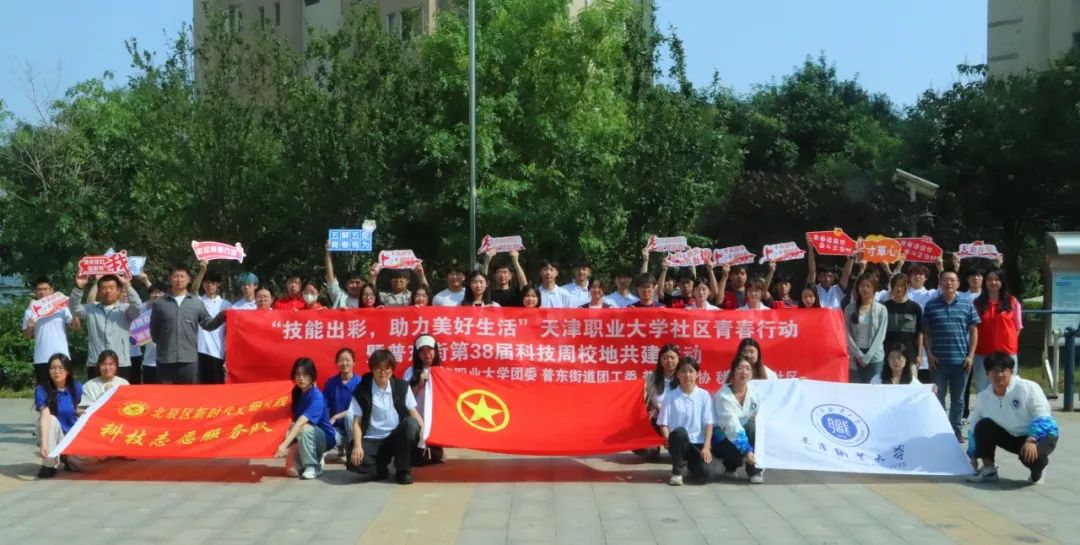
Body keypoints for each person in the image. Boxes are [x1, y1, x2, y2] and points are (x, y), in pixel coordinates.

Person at [967, 352, 1058, 484]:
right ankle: (989, 470)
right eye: (994, 371)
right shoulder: (983, 397)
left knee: (1030, 456)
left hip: (1041, 435)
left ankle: (1040, 468)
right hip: (1012, 435)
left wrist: (1032, 440)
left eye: (1003, 370)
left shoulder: (1028, 388)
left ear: (1011, 371)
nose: (999, 375)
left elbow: (1043, 416)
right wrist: (972, 454)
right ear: (987, 374)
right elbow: (973, 426)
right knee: (983, 426)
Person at [348, 349, 424, 485]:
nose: (383, 372)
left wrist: (424, 431)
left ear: (392, 369)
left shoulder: (402, 387)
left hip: (396, 436)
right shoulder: (362, 390)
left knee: (411, 424)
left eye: (387, 368)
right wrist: (357, 446)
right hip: (372, 438)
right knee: (355, 462)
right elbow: (356, 423)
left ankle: (403, 470)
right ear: (372, 369)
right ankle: (381, 469)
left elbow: (413, 412)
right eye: (378, 369)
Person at [923, 270, 980, 440]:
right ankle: (940, 431)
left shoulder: (967, 304)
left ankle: (955, 431)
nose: (949, 283)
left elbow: (974, 331)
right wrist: (929, 354)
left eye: (952, 280)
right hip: (938, 361)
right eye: (945, 280)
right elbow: (926, 333)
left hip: (961, 361)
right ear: (940, 283)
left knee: (958, 400)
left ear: (958, 283)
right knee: (938, 397)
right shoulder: (931, 305)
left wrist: (971, 356)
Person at [149, 263, 222, 385]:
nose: (179, 280)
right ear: (170, 279)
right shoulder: (160, 303)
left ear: (189, 279)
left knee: (190, 394)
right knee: (166, 395)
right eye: (175, 276)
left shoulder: (196, 303)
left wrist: (222, 316)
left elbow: (207, 324)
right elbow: (154, 332)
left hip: (189, 360)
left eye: (182, 276)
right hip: (166, 359)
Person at [69, 273, 142, 381]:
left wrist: (127, 285)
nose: (108, 291)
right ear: (98, 291)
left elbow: (138, 307)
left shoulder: (125, 310)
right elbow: (74, 308)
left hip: (121, 363)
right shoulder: (91, 309)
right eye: (104, 288)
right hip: (96, 363)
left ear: (118, 290)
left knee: (120, 392)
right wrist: (78, 288)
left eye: (111, 287)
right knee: (95, 392)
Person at [276, 358, 338, 480]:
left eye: (305, 374)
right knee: (291, 471)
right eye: (298, 374)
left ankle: (313, 466)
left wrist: (284, 445)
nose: (301, 378)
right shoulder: (296, 393)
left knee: (304, 427)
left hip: (323, 439)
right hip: (303, 436)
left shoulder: (317, 397)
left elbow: (301, 422)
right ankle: (313, 457)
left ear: (312, 376)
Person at [658, 357, 715, 486]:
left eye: (691, 371)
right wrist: (668, 439)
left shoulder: (704, 395)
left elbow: (709, 423)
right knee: (680, 432)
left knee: (706, 475)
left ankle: (690, 467)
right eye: (683, 371)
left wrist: (706, 447)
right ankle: (677, 472)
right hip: (678, 442)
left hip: (697, 443)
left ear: (697, 374)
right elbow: (663, 423)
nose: (687, 375)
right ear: (677, 374)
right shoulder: (670, 396)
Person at [713, 357, 765, 483]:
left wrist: (797, 385)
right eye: (740, 368)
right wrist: (747, 450)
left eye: (747, 369)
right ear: (733, 372)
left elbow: (778, 397)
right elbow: (731, 425)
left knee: (754, 426)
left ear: (752, 373)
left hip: (744, 434)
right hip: (724, 438)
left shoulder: (756, 393)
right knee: (737, 449)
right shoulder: (723, 396)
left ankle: (754, 470)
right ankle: (730, 466)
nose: (744, 372)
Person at [971, 268, 1022, 394]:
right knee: (983, 387)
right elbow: (972, 328)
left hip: (1007, 351)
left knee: (1009, 387)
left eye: (997, 279)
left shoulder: (1012, 301)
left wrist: (1008, 342)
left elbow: (1018, 327)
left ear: (1002, 282)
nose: (993, 282)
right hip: (982, 352)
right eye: (989, 279)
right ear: (985, 282)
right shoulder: (977, 303)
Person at [23, 277, 79, 387]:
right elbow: (26, 335)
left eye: (45, 289)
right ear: (35, 291)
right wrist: (29, 327)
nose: (42, 292)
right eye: (39, 289)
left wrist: (74, 313)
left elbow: (75, 327)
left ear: (52, 290)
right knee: (44, 391)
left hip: (62, 356)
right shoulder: (30, 311)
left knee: (65, 389)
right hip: (41, 358)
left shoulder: (62, 307)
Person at [35, 353, 83, 478]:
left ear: (68, 370)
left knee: (83, 464)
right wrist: (44, 443)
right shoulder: (42, 389)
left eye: (61, 367)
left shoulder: (76, 387)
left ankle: (66, 457)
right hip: (51, 432)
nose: (57, 371)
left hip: (69, 435)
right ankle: (49, 465)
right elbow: (45, 416)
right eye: (53, 368)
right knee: (51, 419)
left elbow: (76, 408)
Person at [403, 335, 444, 465]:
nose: (426, 354)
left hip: (434, 421)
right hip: (416, 419)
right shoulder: (410, 372)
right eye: (422, 351)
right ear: (417, 354)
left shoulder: (441, 371)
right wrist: (419, 385)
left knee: (437, 458)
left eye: (429, 349)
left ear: (435, 350)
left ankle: (433, 447)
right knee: (418, 459)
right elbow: (405, 399)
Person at [844, 272, 889, 384]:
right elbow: (846, 333)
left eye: (868, 286)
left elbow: (880, 336)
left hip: (875, 357)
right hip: (855, 357)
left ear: (874, 289)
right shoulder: (849, 309)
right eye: (862, 286)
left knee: (874, 390)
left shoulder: (881, 309)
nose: (865, 289)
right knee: (855, 390)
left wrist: (867, 357)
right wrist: (859, 356)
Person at [882, 273, 924, 375]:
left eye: (902, 285)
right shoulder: (884, 307)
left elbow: (920, 332)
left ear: (908, 286)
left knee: (911, 383)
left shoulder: (915, 307)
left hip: (910, 355)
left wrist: (919, 355)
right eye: (896, 285)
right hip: (888, 356)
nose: (899, 289)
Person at [323, 348, 360, 459]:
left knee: (350, 416)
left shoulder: (360, 382)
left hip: (354, 427)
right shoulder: (331, 383)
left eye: (347, 360)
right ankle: (341, 446)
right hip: (337, 427)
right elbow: (324, 405)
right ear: (337, 363)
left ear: (354, 362)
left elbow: (359, 409)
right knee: (324, 439)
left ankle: (352, 448)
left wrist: (337, 416)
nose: (344, 363)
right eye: (341, 360)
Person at [197, 270, 231, 385]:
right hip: (199, 350)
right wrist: (202, 270)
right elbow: (193, 289)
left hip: (218, 351)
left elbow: (230, 332)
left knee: (217, 387)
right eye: (206, 282)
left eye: (213, 282)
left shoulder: (226, 305)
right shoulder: (197, 301)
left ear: (218, 284)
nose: (209, 285)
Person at [806, 236, 855, 308]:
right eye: (823, 276)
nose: (827, 279)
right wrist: (810, 248)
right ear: (818, 277)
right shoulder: (814, 290)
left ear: (834, 277)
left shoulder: (838, 290)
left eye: (830, 276)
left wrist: (852, 257)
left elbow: (846, 275)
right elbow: (812, 271)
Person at [324, 241, 366, 308]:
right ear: (346, 285)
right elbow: (330, 279)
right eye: (351, 282)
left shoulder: (368, 301)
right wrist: (328, 254)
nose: (354, 285)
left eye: (357, 282)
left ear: (363, 284)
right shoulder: (339, 297)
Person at [140, 282, 167, 384]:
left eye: (160, 292)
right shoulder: (144, 309)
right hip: (149, 362)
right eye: (154, 293)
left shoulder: (172, 310)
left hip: (168, 362)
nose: (157, 295)